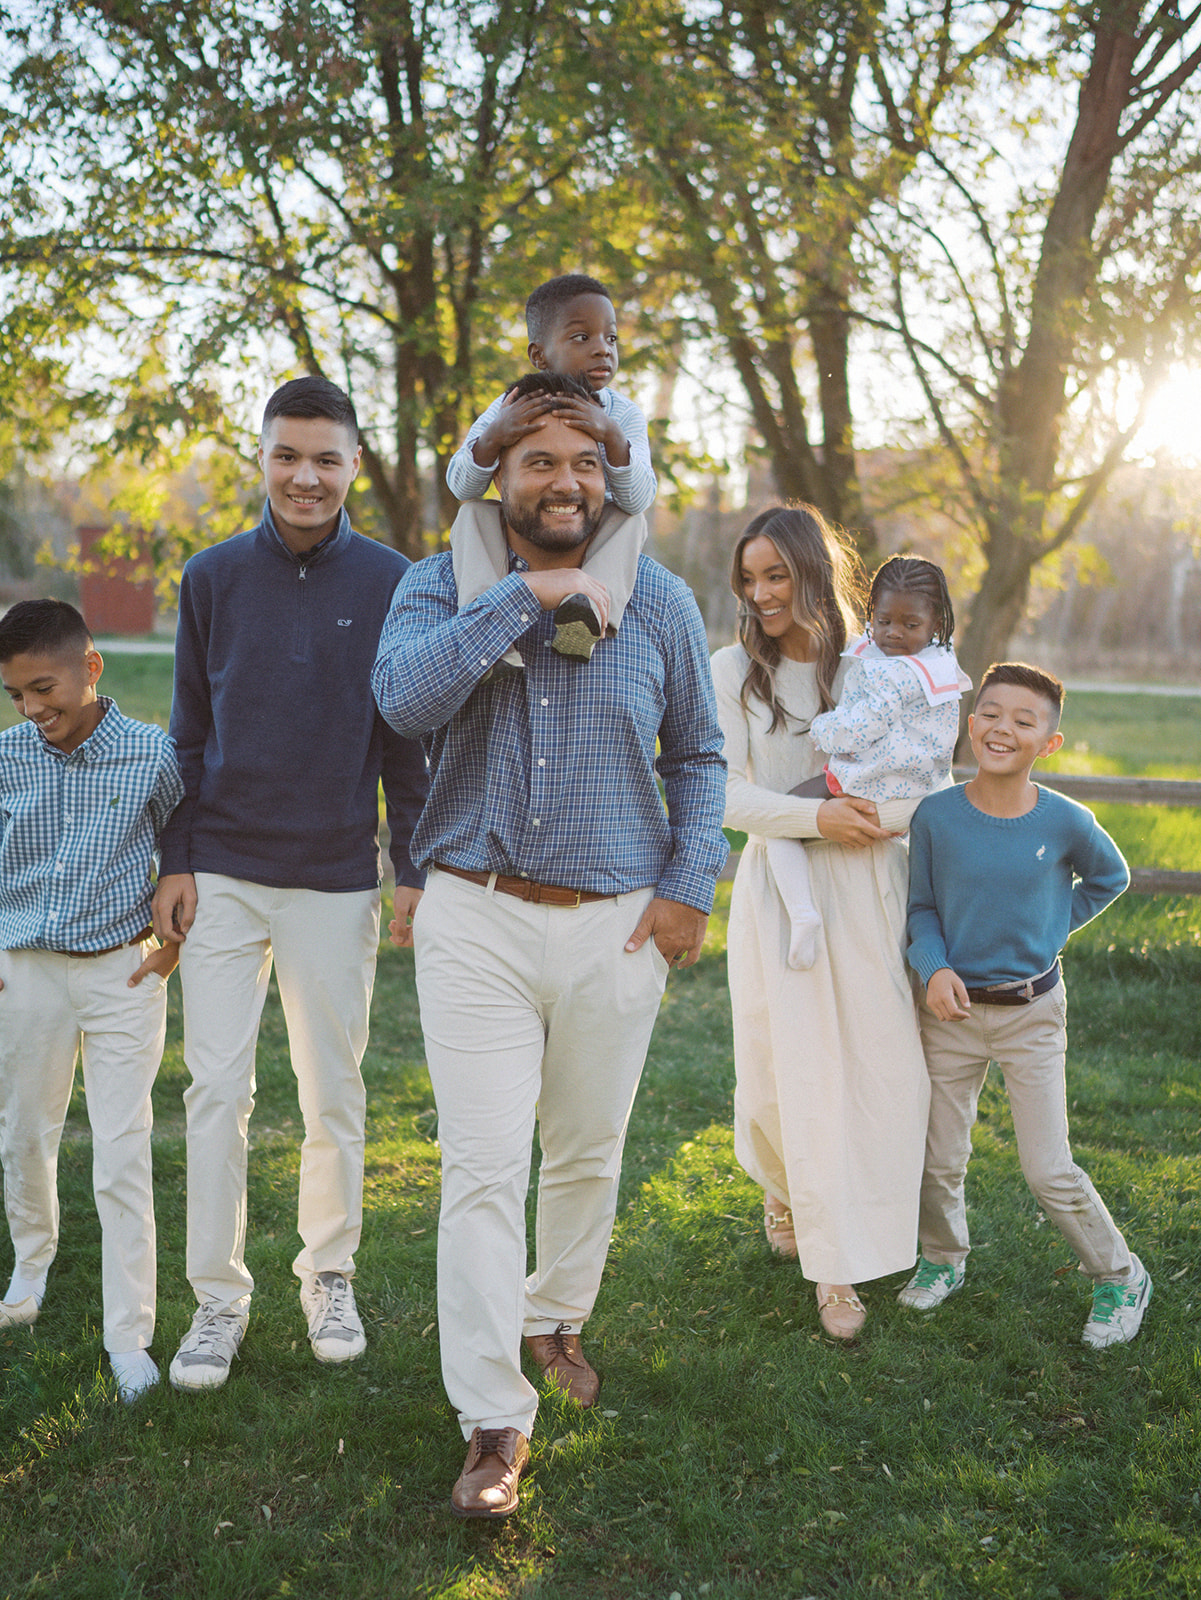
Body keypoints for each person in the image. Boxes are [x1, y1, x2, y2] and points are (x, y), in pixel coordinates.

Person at [372, 374, 727, 1519]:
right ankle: (492, 1419)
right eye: (539, 461)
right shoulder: (434, 587)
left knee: (584, 1149)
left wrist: (688, 886)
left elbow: (698, 755)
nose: (565, 481)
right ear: (498, 475)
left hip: (615, 923)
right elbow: (403, 704)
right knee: (482, 1168)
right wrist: (526, 597)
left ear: (609, 476)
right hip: (472, 912)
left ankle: (556, 1315)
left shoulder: (660, 599)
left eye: (584, 461)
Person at [152, 376, 429, 1392]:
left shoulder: (396, 581)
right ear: (262, 459)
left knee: (332, 1092)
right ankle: (216, 1299)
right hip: (223, 870)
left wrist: (412, 868)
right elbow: (187, 731)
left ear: (353, 464)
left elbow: (403, 739)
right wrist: (176, 859)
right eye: (287, 455)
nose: (305, 476)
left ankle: (329, 1274)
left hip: (334, 875)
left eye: (325, 458)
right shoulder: (212, 576)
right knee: (216, 1090)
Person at [710, 506, 930, 1340]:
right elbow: (725, 794)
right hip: (782, 890)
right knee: (785, 1075)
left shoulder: (880, 665)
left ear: (814, 572)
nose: (761, 592)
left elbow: (927, 777)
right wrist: (814, 820)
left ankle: (840, 1254)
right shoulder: (731, 670)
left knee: (880, 1071)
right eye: (749, 578)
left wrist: (870, 819)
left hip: (870, 883)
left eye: (777, 574)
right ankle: (790, 1199)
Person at [902, 661, 1151, 1348]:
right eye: (990, 712)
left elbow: (1111, 877)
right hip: (950, 1015)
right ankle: (942, 1258)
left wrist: (1050, 929)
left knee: (1048, 1169)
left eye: (1023, 719)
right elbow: (920, 909)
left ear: (1049, 741)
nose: (1001, 728)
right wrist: (933, 967)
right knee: (937, 1157)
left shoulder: (1066, 820)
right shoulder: (936, 816)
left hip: (1031, 1015)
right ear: (970, 721)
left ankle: (1119, 1274)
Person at [0, 599, 182, 1401]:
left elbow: (189, 847)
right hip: (25, 971)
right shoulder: (8, 756)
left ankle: (128, 1333)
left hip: (121, 974)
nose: (31, 709)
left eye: (44, 688)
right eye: (15, 694)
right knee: (24, 1132)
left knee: (123, 1148)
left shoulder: (152, 754)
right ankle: (30, 1265)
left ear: (91, 667)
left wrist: (177, 937)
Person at [446, 273, 656, 669]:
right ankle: (484, 629)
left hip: (594, 530)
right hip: (528, 527)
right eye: (582, 337)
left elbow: (639, 498)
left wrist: (612, 437)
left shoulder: (623, 414)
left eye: (611, 338)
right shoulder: (511, 406)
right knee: (472, 514)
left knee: (630, 520)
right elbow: (462, 487)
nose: (602, 349)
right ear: (539, 355)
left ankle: (587, 611)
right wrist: (494, 436)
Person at [770, 555, 970, 969]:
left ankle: (803, 915)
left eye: (910, 625)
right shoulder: (940, 665)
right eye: (884, 621)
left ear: (935, 624)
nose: (893, 633)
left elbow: (862, 728)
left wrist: (822, 727)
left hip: (871, 781)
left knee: (780, 820)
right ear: (872, 614)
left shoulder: (890, 671)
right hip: (919, 787)